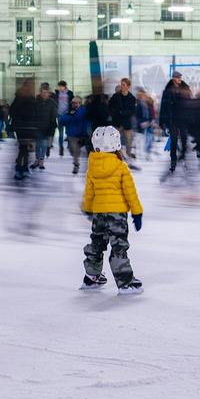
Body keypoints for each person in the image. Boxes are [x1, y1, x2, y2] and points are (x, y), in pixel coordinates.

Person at [80, 125, 143, 295]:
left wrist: (87, 209)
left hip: (99, 214)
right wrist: (137, 212)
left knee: (97, 243)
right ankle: (125, 282)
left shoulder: (92, 167)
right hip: (117, 214)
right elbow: (130, 193)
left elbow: (89, 192)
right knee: (118, 247)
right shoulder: (121, 167)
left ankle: (91, 277)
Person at [9, 79, 41, 180]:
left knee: (23, 148)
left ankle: (21, 168)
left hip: (20, 127)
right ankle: (21, 168)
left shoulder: (18, 97)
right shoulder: (31, 99)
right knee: (24, 149)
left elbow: (12, 111)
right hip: (27, 127)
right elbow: (36, 113)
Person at [159, 72, 190, 173]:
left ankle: (183, 156)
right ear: (173, 78)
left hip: (183, 119)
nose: (179, 79)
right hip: (172, 120)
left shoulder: (185, 89)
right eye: (177, 77)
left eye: (180, 77)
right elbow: (163, 107)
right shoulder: (167, 91)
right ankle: (173, 160)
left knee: (184, 140)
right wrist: (162, 121)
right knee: (173, 141)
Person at [108, 78, 139, 159]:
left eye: (123, 84)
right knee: (115, 140)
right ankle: (117, 155)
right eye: (121, 84)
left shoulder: (132, 98)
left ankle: (128, 154)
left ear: (128, 86)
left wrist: (122, 113)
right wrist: (113, 113)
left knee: (129, 140)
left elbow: (133, 111)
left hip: (127, 123)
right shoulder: (115, 96)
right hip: (117, 122)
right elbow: (109, 106)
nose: (121, 86)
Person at [59, 96, 90, 174]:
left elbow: (86, 122)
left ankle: (76, 165)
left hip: (80, 135)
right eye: (73, 102)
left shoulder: (84, 111)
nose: (74, 104)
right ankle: (76, 162)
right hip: (71, 134)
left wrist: (86, 133)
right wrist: (70, 115)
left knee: (76, 150)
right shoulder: (69, 112)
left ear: (80, 103)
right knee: (72, 150)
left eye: (76, 103)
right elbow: (62, 121)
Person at [34, 83, 58, 169]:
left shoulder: (52, 103)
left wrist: (51, 128)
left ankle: (41, 161)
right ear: (40, 93)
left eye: (46, 92)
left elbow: (53, 116)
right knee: (37, 144)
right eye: (43, 92)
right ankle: (37, 159)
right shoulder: (36, 101)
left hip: (47, 127)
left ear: (49, 93)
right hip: (37, 126)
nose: (44, 94)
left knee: (43, 144)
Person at [54, 81, 75, 156]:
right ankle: (61, 147)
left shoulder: (70, 93)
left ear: (64, 86)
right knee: (61, 132)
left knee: (69, 131)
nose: (60, 88)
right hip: (59, 115)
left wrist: (71, 112)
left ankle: (70, 146)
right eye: (59, 86)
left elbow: (73, 103)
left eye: (61, 86)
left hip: (67, 115)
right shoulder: (57, 94)